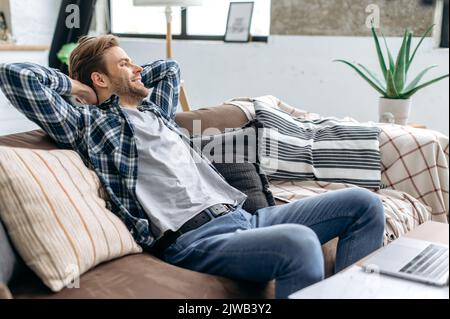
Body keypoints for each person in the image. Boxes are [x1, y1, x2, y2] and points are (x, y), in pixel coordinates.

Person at [0, 35, 385, 299]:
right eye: (124, 63)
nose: (136, 68)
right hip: (194, 239)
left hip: (246, 219)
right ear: (99, 78)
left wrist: (125, 75)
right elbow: (16, 77)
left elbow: (169, 67)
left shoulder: (156, 112)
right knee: (298, 244)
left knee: (364, 205)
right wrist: (80, 88)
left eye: (133, 61)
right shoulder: (90, 126)